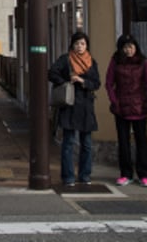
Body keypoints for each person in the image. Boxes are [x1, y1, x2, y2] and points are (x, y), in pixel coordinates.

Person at [48, 30, 101, 187]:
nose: (80, 47)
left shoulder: (92, 62)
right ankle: (68, 177)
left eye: (83, 44)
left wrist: (82, 81)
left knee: (86, 143)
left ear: (87, 46)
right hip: (69, 105)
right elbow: (51, 73)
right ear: (72, 44)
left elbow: (97, 83)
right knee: (68, 142)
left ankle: (85, 175)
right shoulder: (65, 60)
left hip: (86, 106)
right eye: (77, 43)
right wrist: (67, 80)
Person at [104, 33, 147, 187]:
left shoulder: (143, 62)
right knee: (123, 142)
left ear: (136, 47)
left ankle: (144, 174)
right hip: (121, 107)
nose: (128, 50)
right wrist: (114, 101)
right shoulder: (115, 61)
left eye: (131, 47)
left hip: (139, 105)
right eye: (125, 47)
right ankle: (125, 173)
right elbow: (109, 83)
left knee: (142, 141)